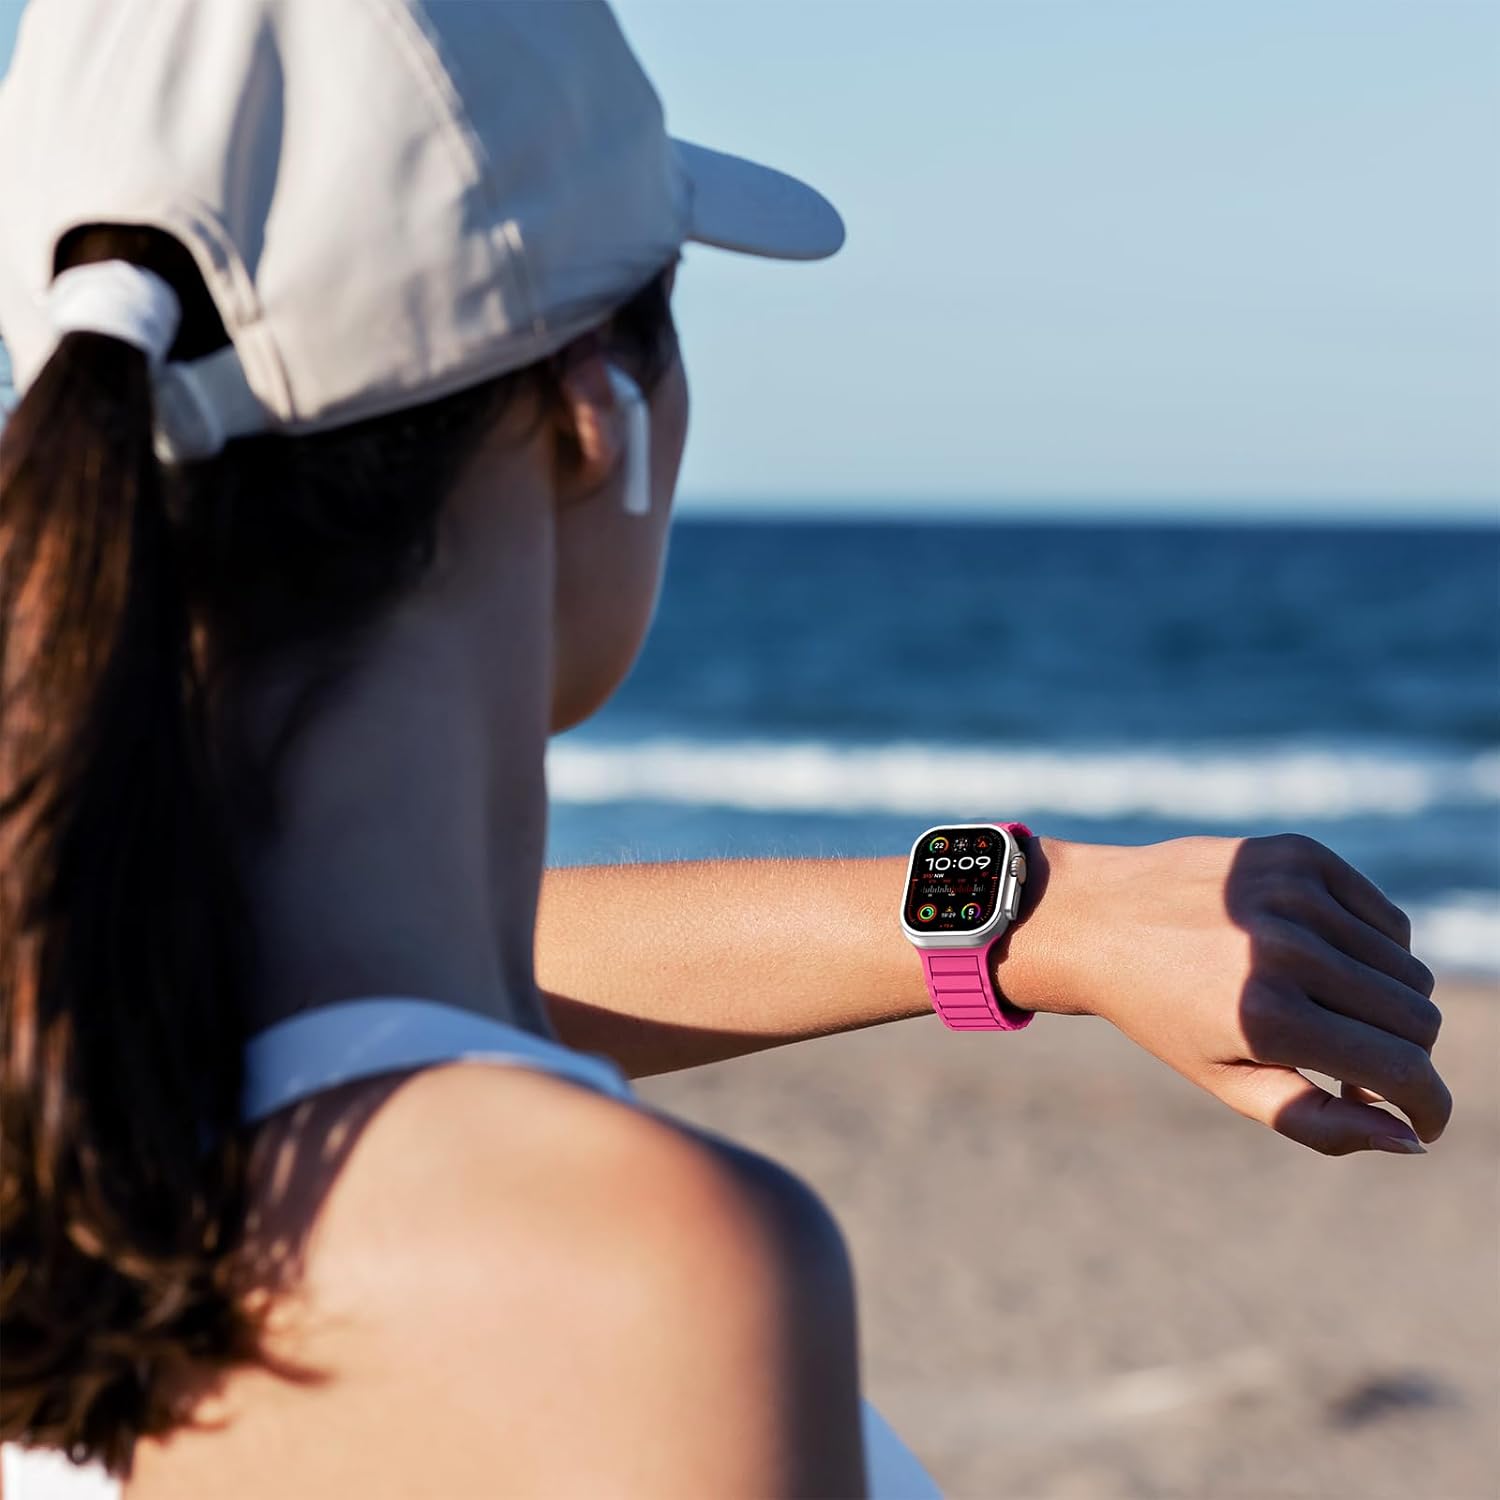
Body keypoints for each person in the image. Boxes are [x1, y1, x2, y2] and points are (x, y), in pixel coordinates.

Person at [0, 2, 1451, 1497]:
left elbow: (446, 973)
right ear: (594, 413)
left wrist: (1038, 917)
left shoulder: (78, 1067)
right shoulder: (635, 1272)